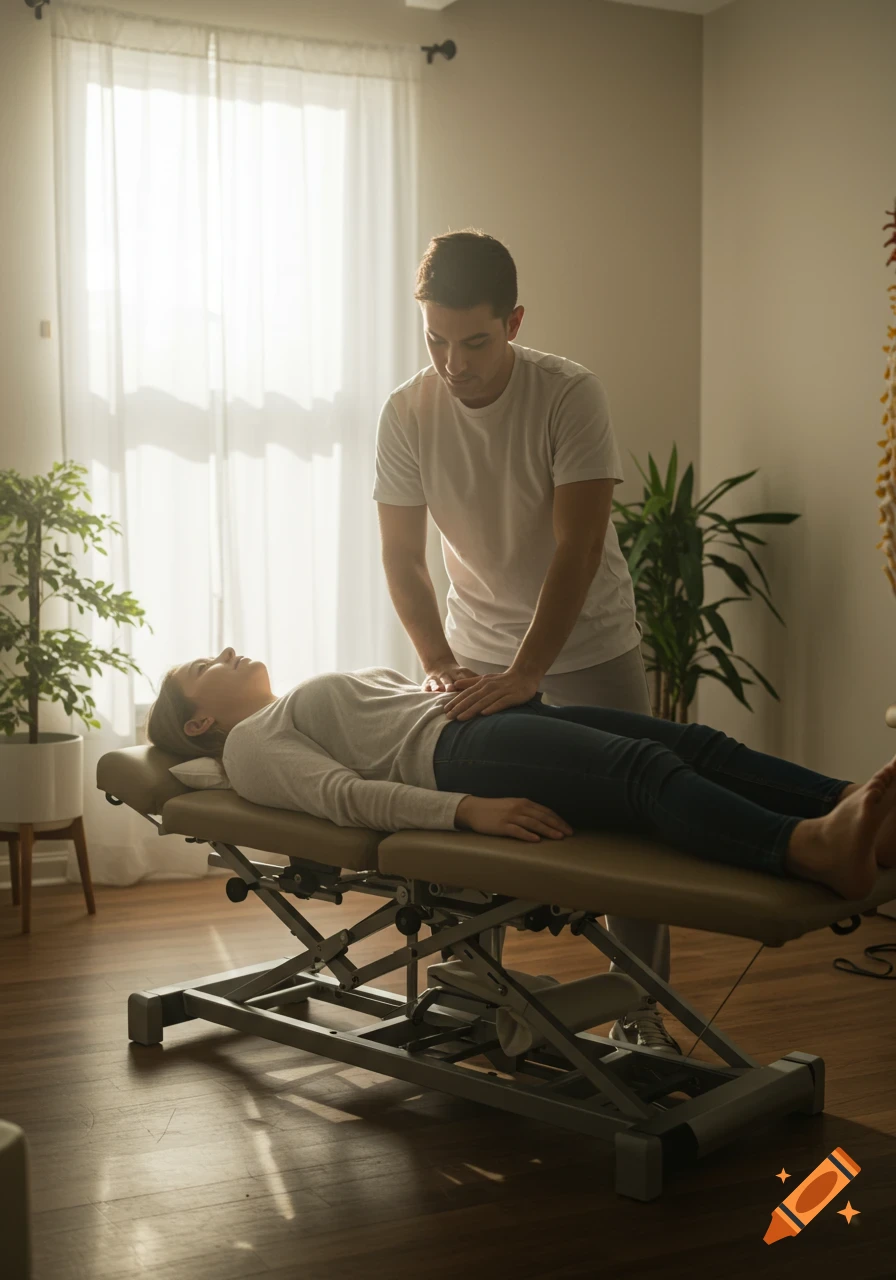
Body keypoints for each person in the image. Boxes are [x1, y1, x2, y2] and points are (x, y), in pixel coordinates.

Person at [373, 229, 671, 1051]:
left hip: (589, 644)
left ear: (513, 321)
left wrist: (530, 671)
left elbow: (577, 546)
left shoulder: (568, 394)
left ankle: (642, 1010)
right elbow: (401, 557)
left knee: (631, 835)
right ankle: (476, 992)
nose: (453, 362)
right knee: (471, 826)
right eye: (435, 339)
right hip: (473, 650)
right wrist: (439, 664)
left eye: (474, 340)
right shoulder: (407, 411)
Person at [145, 649, 896, 930]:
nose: (229, 649)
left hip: (481, 717)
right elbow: (346, 797)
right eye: (203, 664)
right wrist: (464, 812)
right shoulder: (248, 746)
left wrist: (450, 681)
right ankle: (806, 849)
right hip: (457, 756)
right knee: (645, 772)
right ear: (201, 716)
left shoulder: (274, 716)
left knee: (695, 743)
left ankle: (859, 806)